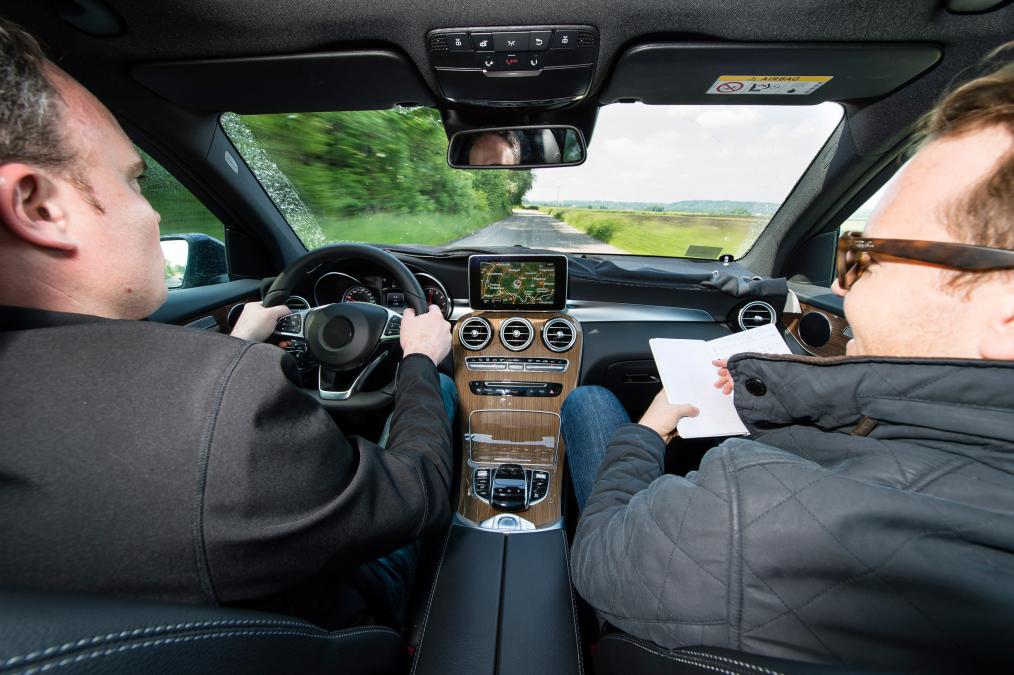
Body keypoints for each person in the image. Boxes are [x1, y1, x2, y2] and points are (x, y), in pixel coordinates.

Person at [0, 18, 456, 630]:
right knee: (443, 402)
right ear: (39, 206)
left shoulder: (209, 392)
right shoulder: (227, 409)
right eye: (135, 180)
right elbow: (418, 493)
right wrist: (421, 361)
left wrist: (235, 344)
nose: (154, 210)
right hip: (331, 631)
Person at [562, 53, 1014, 670]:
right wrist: (778, 408)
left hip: (642, 584)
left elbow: (596, 561)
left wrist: (649, 432)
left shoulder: (748, 506)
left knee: (589, 403)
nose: (847, 288)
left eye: (866, 256)